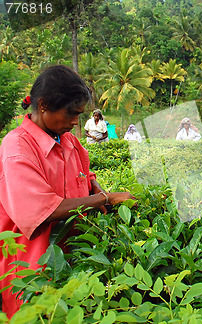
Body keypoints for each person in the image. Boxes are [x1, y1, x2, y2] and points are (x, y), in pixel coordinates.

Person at [0, 65, 136, 318]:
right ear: (43, 106)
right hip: (32, 272)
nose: (76, 122)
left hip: (73, 266)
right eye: (71, 114)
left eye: (79, 115)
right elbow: (41, 210)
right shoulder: (17, 148)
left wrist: (94, 186)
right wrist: (105, 198)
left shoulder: (69, 141)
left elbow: (84, 174)